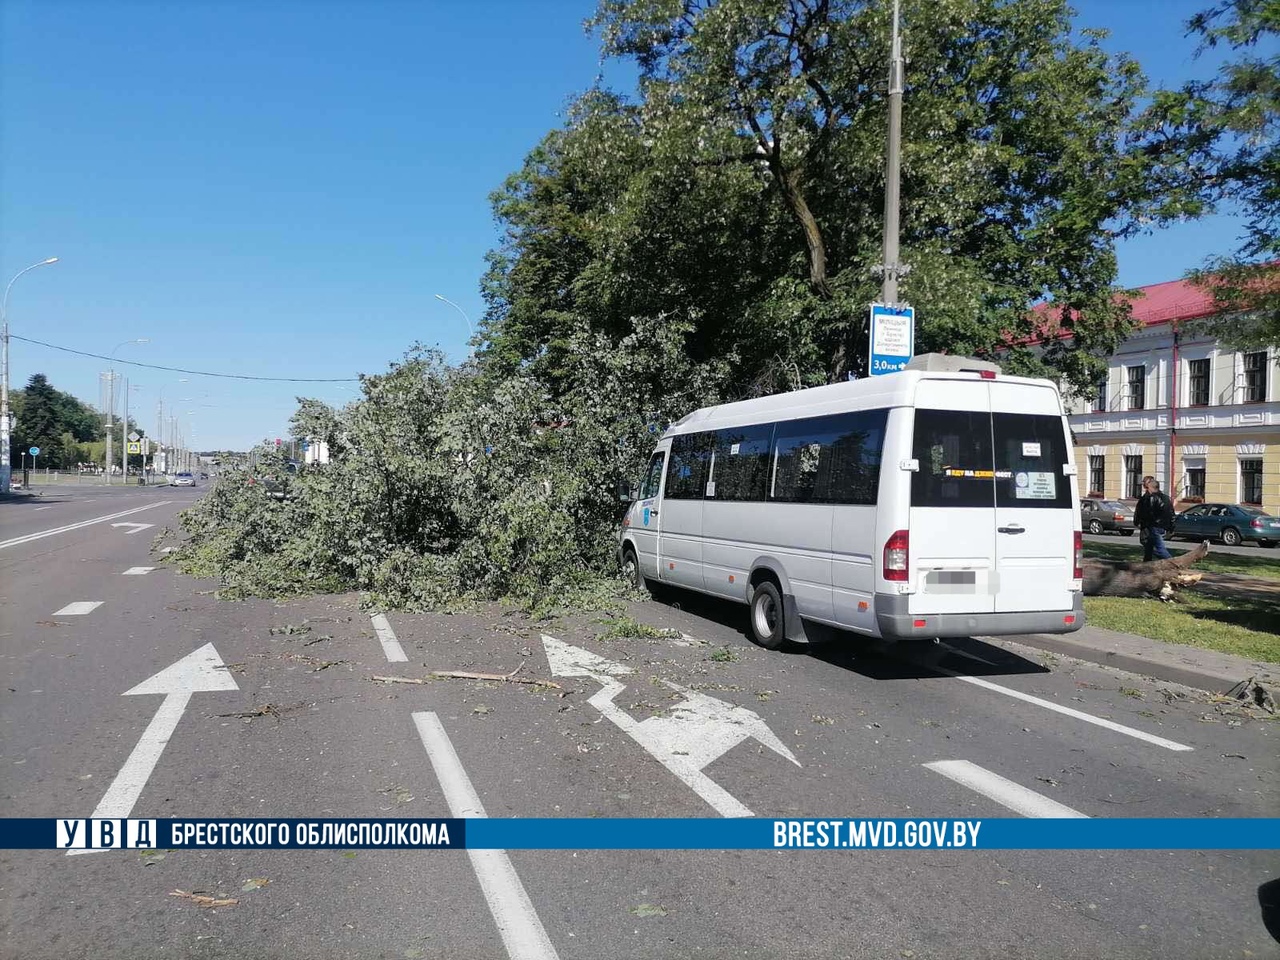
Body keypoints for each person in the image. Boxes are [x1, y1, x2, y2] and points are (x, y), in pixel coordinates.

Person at [1134, 475, 1175, 561]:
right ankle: (1146, 564)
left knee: (1157, 548)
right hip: (1159, 526)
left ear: (1150, 486)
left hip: (1153, 526)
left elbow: (1147, 512)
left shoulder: (1151, 498)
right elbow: (1171, 513)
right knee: (1149, 546)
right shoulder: (1165, 498)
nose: (1144, 485)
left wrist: (1141, 522)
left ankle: (1173, 563)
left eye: (1145, 483)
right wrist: (1171, 526)